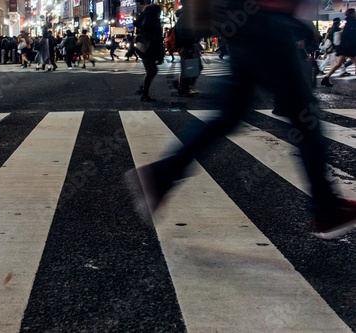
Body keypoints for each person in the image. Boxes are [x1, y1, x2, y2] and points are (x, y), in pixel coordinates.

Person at [126, 0, 356, 240]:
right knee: (304, 115)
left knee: (229, 114)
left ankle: (163, 173)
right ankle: (326, 205)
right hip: (268, 20)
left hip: (243, 20)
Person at [135, 4, 164, 101]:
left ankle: (143, 91)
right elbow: (156, 36)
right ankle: (144, 92)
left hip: (145, 48)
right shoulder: (151, 19)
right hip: (149, 49)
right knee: (151, 71)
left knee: (151, 70)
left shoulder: (144, 18)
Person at [321, 8, 356, 86]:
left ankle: (326, 78)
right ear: (351, 14)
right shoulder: (352, 23)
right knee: (339, 63)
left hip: (344, 47)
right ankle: (325, 78)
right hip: (349, 47)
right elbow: (350, 36)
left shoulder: (348, 23)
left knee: (339, 64)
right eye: (354, 13)